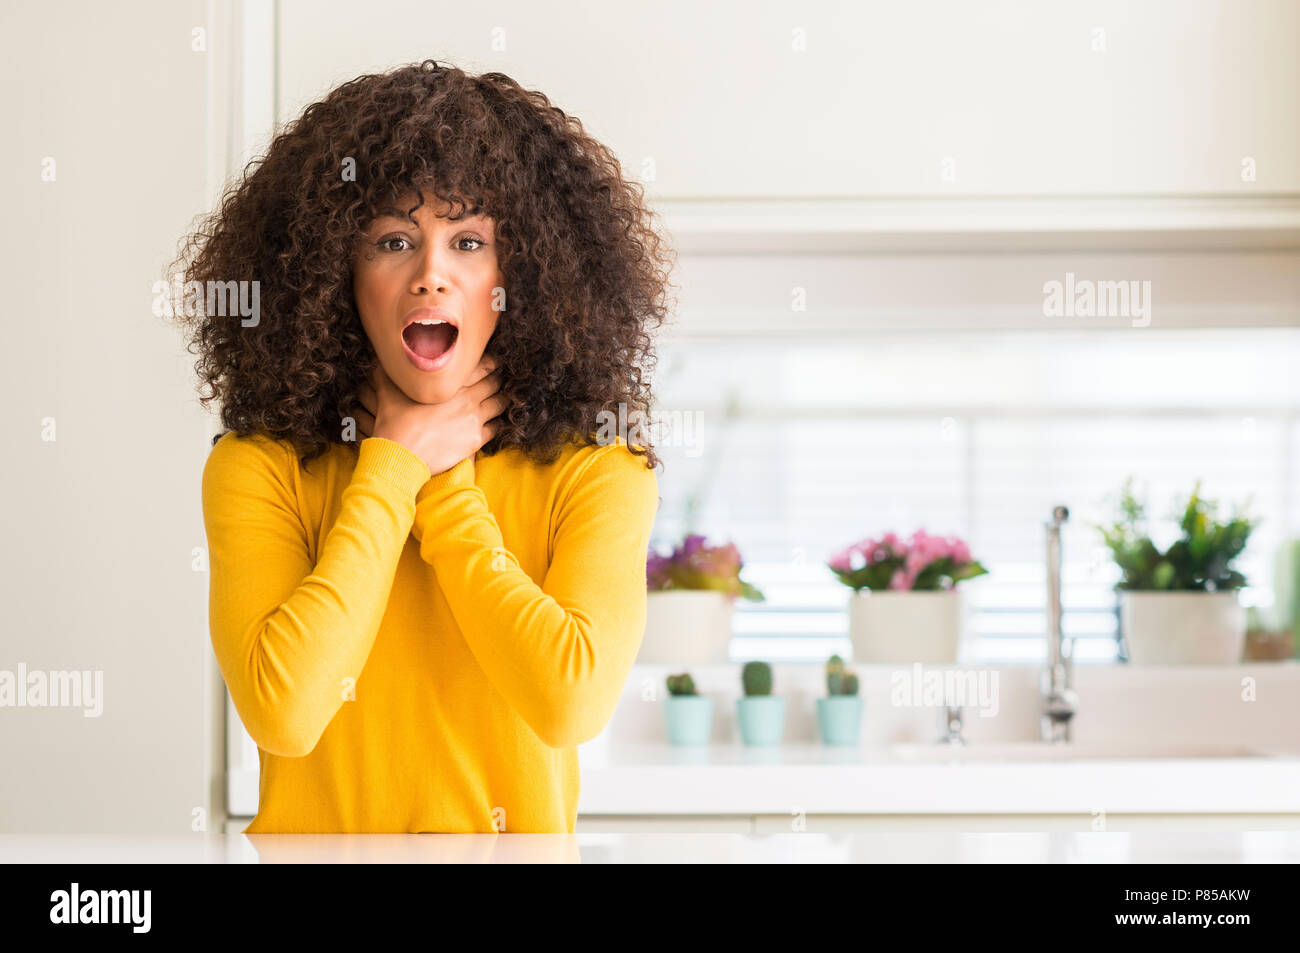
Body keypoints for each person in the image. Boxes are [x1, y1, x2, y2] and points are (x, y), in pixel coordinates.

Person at [170, 59, 674, 833]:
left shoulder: (598, 471)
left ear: (519, 275)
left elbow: (569, 704)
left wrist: (442, 490)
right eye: (394, 240)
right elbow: (285, 712)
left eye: (468, 241)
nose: (431, 274)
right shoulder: (260, 468)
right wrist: (392, 467)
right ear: (336, 273)